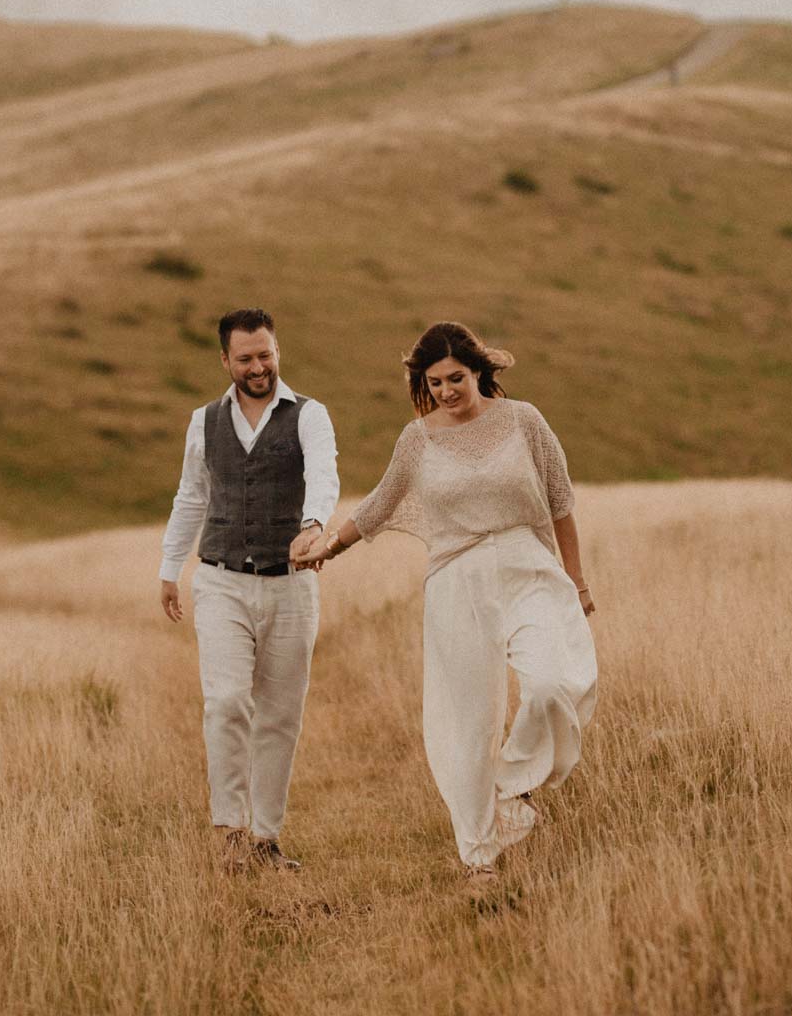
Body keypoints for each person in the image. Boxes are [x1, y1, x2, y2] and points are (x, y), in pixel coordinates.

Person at [300, 322, 596, 885]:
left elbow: (561, 503)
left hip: (527, 566)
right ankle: (480, 857)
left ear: (479, 371)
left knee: (554, 682)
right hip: (457, 580)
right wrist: (330, 547)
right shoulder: (418, 439)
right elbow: (382, 503)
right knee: (465, 721)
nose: (445, 391)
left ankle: (513, 787)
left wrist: (577, 584)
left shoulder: (524, 421)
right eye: (434, 382)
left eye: (455, 378)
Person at [158, 308, 338, 871]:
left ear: (277, 351)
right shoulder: (203, 421)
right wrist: (170, 568)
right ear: (225, 361)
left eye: (266, 355)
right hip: (221, 580)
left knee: (281, 713)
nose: (259, 367)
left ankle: (265, 840)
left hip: (290, 587)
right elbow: (191, 496)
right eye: (246, 358)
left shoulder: (310, 414)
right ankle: (229, 833)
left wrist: (313, 526)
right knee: (228, 701)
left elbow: (324, 473)